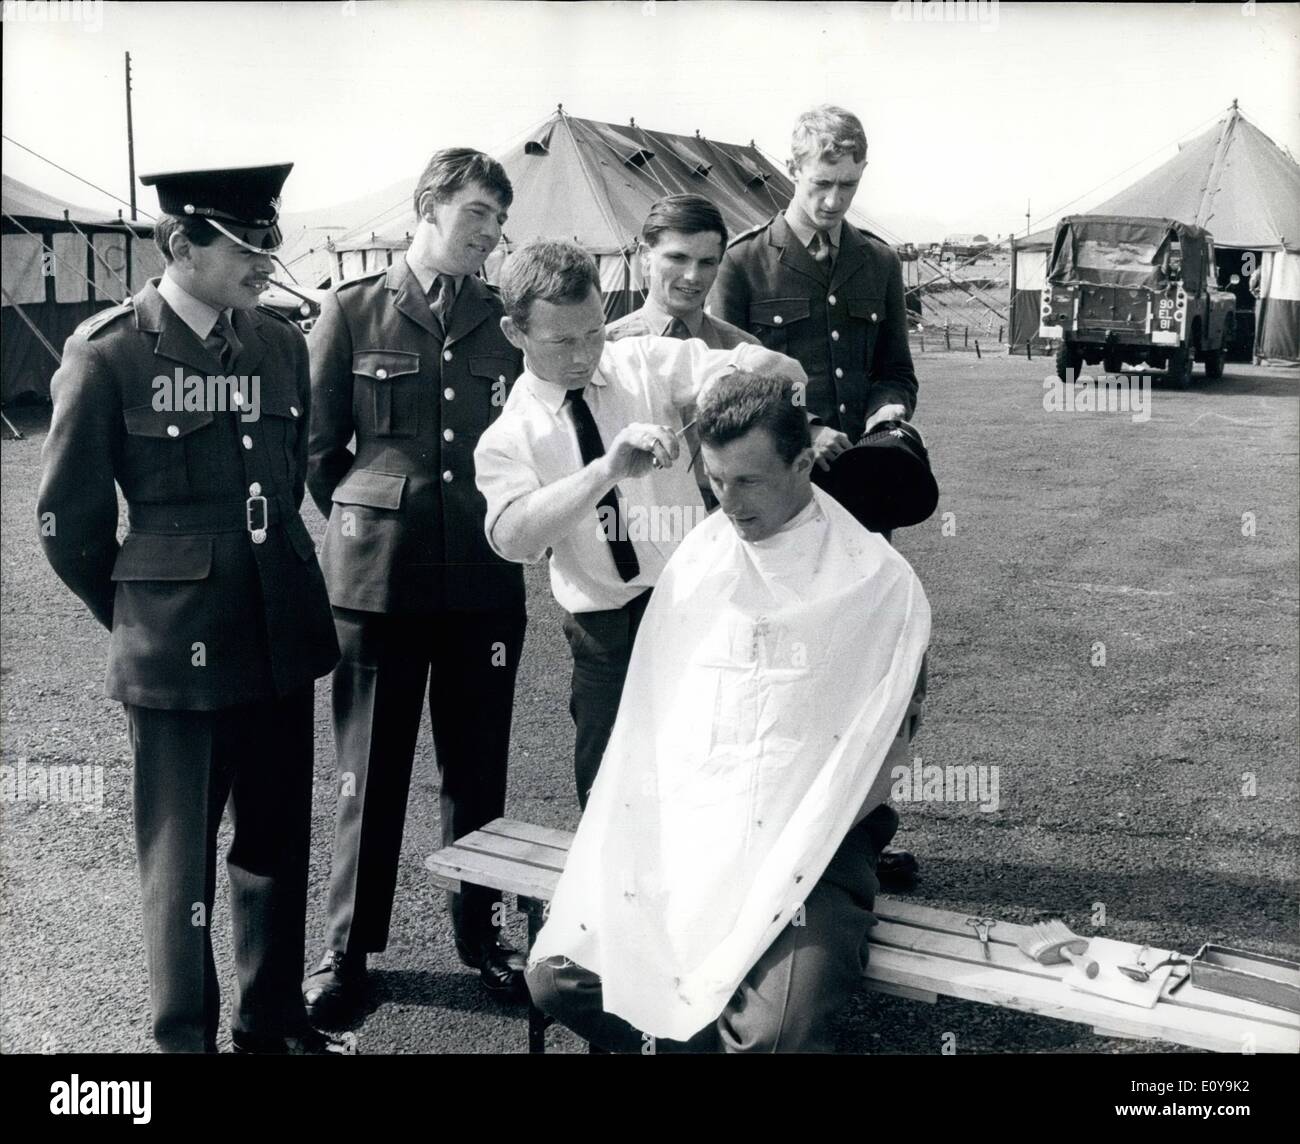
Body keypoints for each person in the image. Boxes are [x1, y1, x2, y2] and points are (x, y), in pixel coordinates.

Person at [37, 163, 350, 1054]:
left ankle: (273, 1021)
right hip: (177, 648)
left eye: (271, 242)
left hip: (278, 625)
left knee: (277, 839)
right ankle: (184, 1040)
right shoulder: (109, 352)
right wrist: (145, 611)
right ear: (182, 244)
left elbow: (287, 482)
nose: (269, 262)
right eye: (250, 248)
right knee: (181, 865)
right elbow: (69, 524)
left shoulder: (280, 344)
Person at [525, 370, 930, 1052]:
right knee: (559, 980)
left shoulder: (877, 580)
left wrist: (779, 850)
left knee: (779, 1035)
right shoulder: (702, 557)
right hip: (694, 825)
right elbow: (654, 727)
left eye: (748, 481)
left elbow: (885, 757)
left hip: (815, 839)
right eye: (715, 479)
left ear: (803, 464)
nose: (729, 502)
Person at [302, 149, 529, 1020]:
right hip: (379, 585)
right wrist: (374, 525)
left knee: (477, 773)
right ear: (428, 207)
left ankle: (481, 936)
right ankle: (347, 949)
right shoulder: (351, 311)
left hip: (481, 576)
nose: (491, 233)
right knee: (370, 770)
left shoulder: (502, 318)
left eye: (498, 219)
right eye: (477, 213)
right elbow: (321, 458)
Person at [473, 239, 809, 810]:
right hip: (604, 635)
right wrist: (604, 471)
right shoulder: (509, 435)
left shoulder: (642, 361)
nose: (583, 356)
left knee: (717, 770)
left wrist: (752, 366)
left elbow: (764, 371)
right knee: (612, 796)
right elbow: (513, 540)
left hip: (694, 606)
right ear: (514, 333)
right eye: (561, 341)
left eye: (594, 332)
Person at [713, 104, 923, 889]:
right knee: (785, 678)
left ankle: (862, 839)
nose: (835, 200)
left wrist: (885, 412)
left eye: (849, 183)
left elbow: (896, 368)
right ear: (793, 171)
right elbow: (728, 394)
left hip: (862, 503)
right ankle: (776, 841)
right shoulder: (744, 266)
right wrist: (808, 428)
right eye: (822, 182)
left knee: (867, 673)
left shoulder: (878, 262)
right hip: (782, 512)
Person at [606, 193, 759, 509]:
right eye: (677, 258)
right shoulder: (607, 349)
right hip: (637, 523)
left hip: (723, 519)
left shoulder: (743, 352)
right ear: (646, 257)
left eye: (707, 262)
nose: (692, 276)